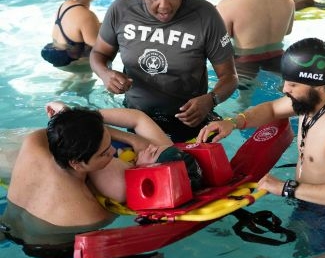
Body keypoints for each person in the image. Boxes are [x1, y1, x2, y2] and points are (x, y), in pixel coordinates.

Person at [0, 101, 202, 248]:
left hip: (6, 225)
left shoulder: (34, 143)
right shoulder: (90, 214)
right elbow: (126, 207)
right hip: (50, 247)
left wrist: (77, 120)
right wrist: (141, 170)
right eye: (105, 153)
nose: (113, 152)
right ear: (77, 163)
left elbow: (62, 131)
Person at [197, 37, 325, 208]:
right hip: (309, 202)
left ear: (318, 84)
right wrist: (233, 122)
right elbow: (272, 109)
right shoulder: (311, 100)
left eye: (293, 84)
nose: (285, 89)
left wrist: (284, 187)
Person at [90, 0, 238, 142]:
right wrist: (105, 74)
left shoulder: (205, 16)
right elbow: (98, 54)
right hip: (136, 117)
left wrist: (211, 100)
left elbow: (230, 77)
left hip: (189, 120)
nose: (165, 5)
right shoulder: (121, 10)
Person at [216, 0, 294, 103]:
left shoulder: (228, 5)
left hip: (245, 63)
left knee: (242, 103)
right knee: (287, 100)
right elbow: (288, 31)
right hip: (279, 60)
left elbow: (221, 44)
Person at [41, 0, 101, 72]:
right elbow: (101, 49)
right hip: (75, 64)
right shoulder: (87, 16)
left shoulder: (65, 5)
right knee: (87, 80)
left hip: (58, 54)